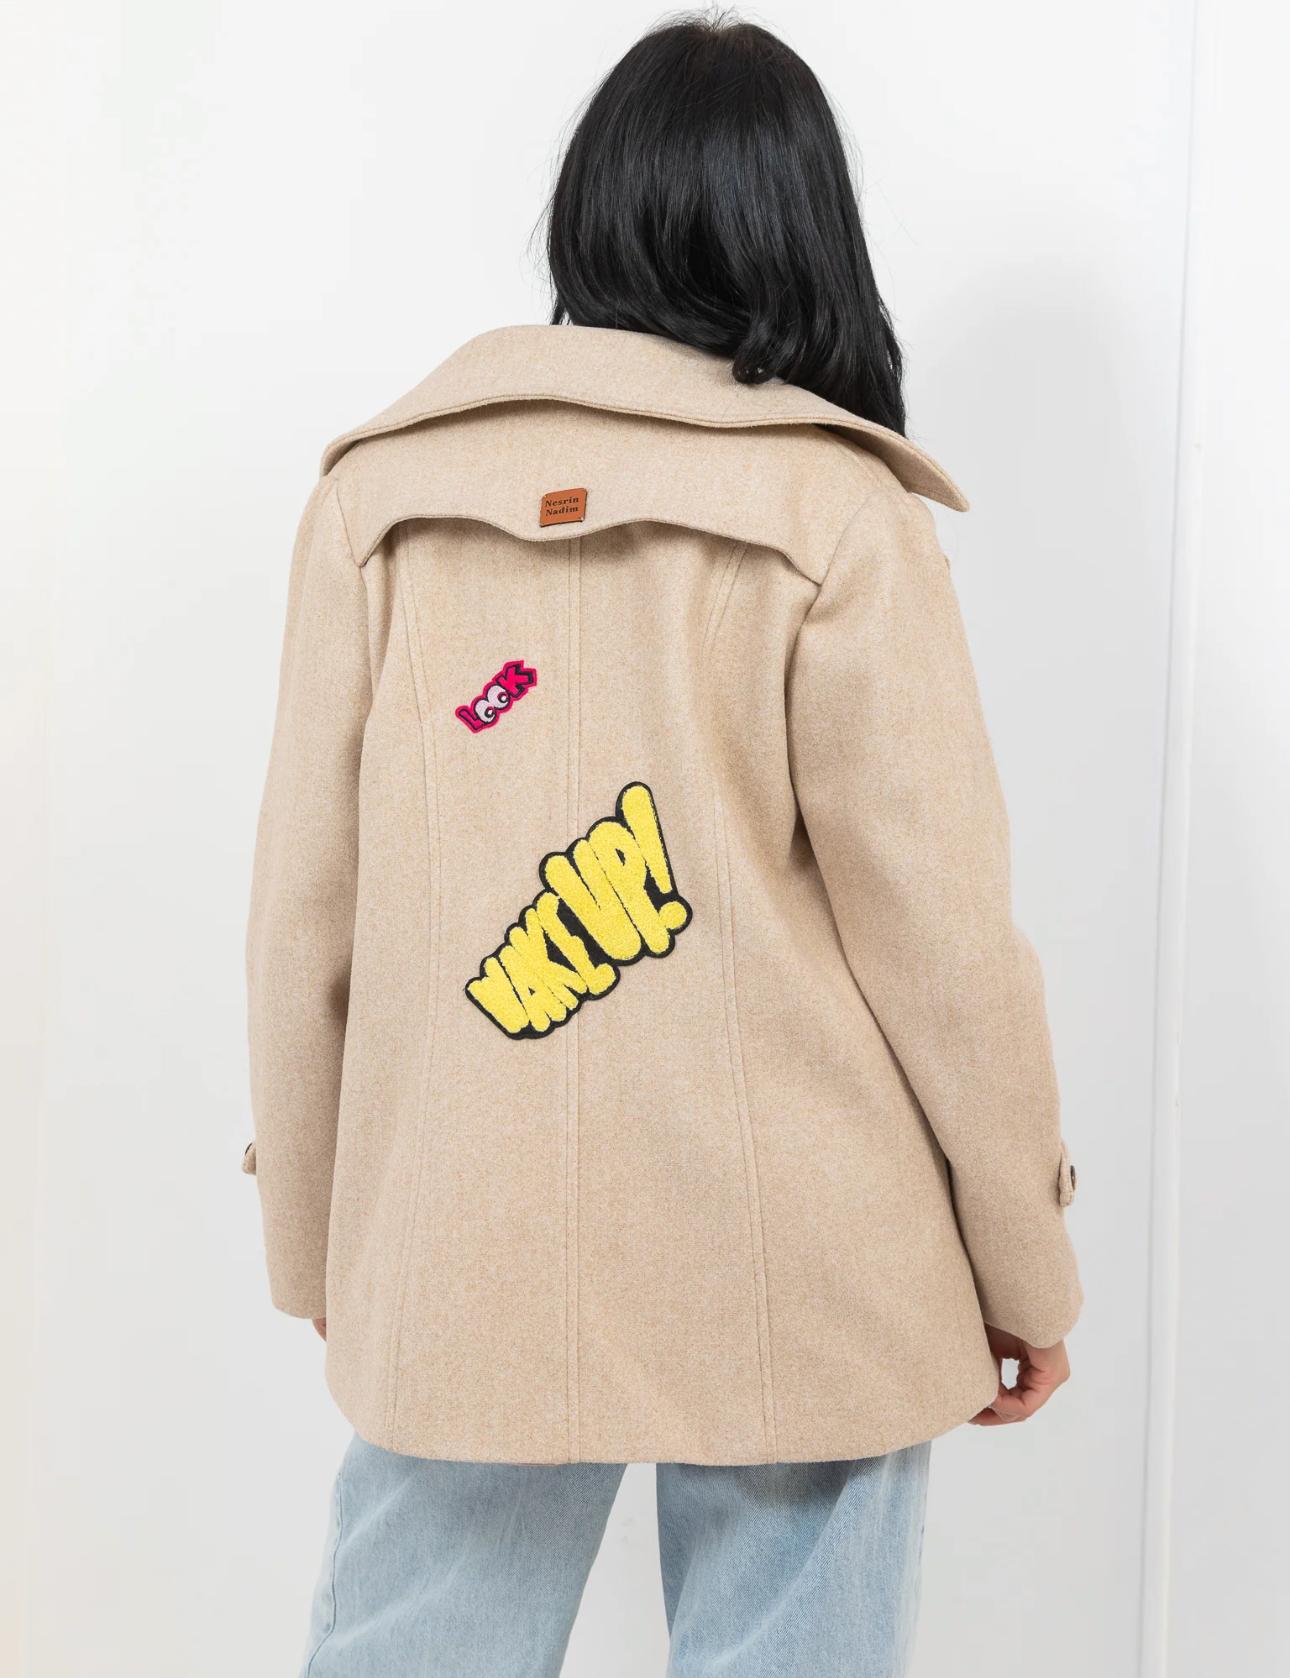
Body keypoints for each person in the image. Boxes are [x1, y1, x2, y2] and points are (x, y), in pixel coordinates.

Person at [243, 13, 1081, 1676]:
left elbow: (300, 920)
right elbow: (943, 949)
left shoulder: (377, 502)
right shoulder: (838, 511)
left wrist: (325, 1232)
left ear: (592, 210)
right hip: (810, 1257)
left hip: (458, 1226)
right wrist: (1024, 1264)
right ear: (802, 226)